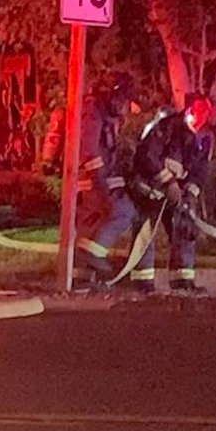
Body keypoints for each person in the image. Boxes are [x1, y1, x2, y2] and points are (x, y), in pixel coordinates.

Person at [126, 93, 214, 294]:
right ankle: (142, 282)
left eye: (205, 113)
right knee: (146, 231)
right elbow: (147, 156)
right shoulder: (167, 127)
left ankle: (182, 280)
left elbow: (200, 171)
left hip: (176, 193)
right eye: (198, 111)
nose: (201, 117)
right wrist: (169, 182)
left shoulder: (203, 138)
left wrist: (190, 194)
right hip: (150, 188)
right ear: (189, 109)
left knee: (184, 227)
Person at [72, 72, 136, 287]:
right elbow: (88, 150)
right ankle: (95, 254)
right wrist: (102, 187)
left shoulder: (102, 113)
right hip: (92, 179)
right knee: (124, 211)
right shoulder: (93, 112)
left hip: (93, 179)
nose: (123, 105)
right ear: (113, 95)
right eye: (122, 99)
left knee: (89, 226)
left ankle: (81, 279)